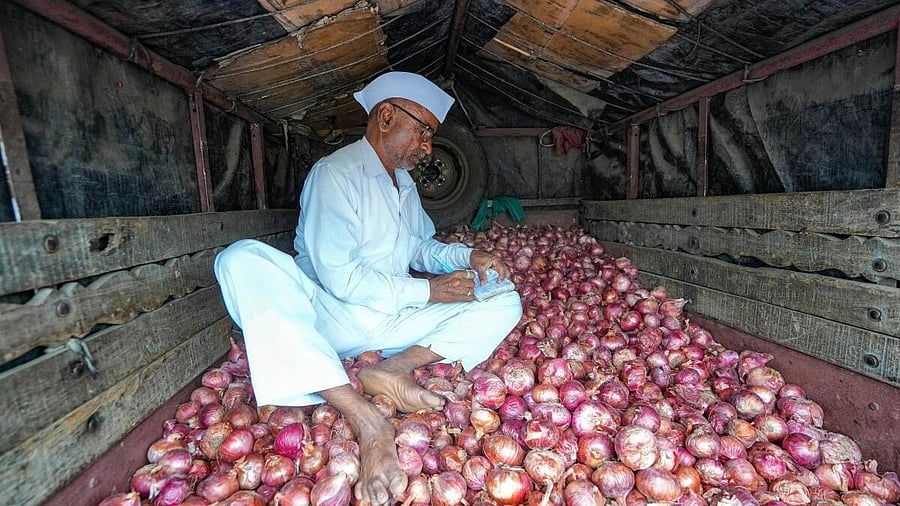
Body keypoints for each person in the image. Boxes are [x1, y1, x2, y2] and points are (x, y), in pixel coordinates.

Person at [213, 71, 522, 506]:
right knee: (239, 259)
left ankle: (393, 369)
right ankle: (368, 421)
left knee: (503, 299)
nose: (427, 147)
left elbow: (421, 248)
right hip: (330, 319)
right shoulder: (334, 175)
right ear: (387, 116)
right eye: (424, 131)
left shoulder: (405, 183)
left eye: (431, 135)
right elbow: (342, 277)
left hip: (393, 322)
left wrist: (469, 258)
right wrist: (429, 294)